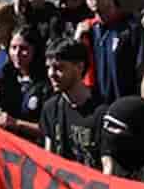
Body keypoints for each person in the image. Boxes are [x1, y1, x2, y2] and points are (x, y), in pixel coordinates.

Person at [77, 0, 144, 105]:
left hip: (126, 108)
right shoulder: (87, 30)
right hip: (97, 109)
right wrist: (77, 38)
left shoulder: (132, 28)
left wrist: (143, 111)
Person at [39, 38, 106, 168]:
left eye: (59, 68)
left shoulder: (101, 112)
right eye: (49, 67)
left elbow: (107, 166)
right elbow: (49, 157)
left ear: (79, 67)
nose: (51, 74)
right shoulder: (51, 108)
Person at [0, 26, 49, 142]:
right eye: (13, 48)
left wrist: (16, 123)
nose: (17, 53)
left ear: (35, 50)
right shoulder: (7, 79)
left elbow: (50, 130)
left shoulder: (46, 83)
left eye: (23, 48)